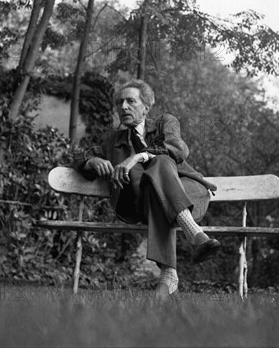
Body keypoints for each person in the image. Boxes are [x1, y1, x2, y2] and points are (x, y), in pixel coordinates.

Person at [75, 79, 221, 299]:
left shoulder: (165, 123)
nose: (123, 106)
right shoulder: (113, 141)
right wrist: (92, 161)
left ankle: (169, 275)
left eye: (130, 101)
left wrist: (139, 156)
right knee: (145, 178)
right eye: (119, 103)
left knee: (161, 162)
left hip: (188, 192)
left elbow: (177, 149)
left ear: (146, 107)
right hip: (139, 204)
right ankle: (196, 235)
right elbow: (75, 156)